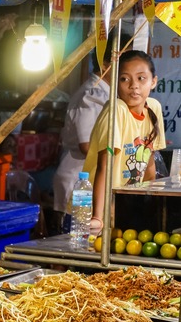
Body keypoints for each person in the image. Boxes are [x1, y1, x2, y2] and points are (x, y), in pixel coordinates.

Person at [83, 50, 166, 234]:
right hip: (98, 204)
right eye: (124, 79)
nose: (133, 86)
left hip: (126, 204)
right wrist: (98, 216)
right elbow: (105, 165)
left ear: (153, 81)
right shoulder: (117, 110)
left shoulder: (154, 108)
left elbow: (149, 161)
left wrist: (151, 202)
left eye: (141, 78)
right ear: (115, 82)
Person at [52, 35, 125, 233]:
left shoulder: (108, 93)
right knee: (73, 248)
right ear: (105, 63)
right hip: (79, 180)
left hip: (93, 180)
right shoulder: (91, 95)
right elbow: (86, 145)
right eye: (123, 61)